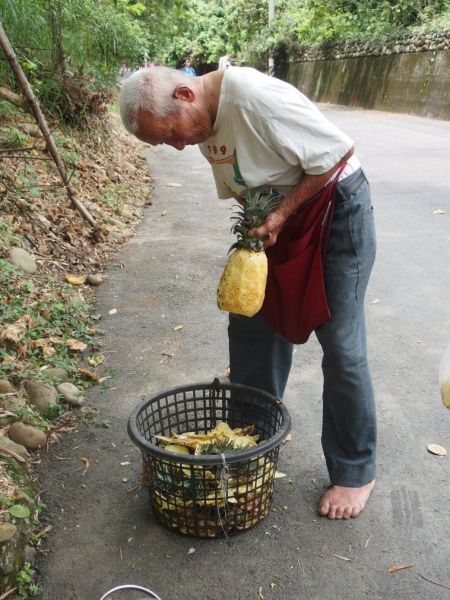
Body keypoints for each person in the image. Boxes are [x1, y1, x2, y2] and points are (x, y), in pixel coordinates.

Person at [119, 66, 377, 520]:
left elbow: (338, 151)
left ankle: (355, 471)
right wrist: (260, 232)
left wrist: (280, 216)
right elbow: (242, 188)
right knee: (252, 327)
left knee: (341, 345)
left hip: (334, 209)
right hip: (276, 220)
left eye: (173, 135)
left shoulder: (252, 96)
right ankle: (247, 443)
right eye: (165, 145)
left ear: (185, 94)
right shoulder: (201, 122)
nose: (178, 146)